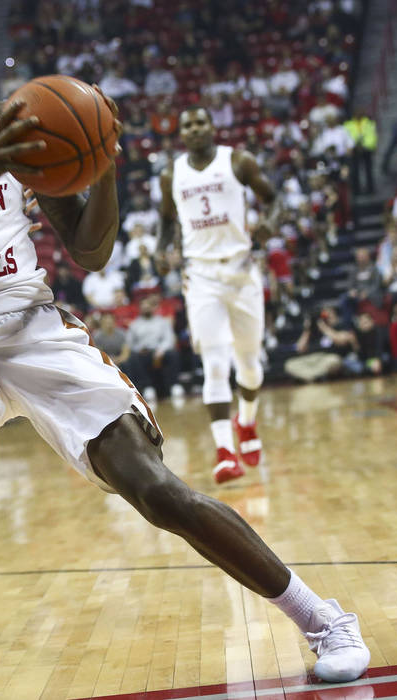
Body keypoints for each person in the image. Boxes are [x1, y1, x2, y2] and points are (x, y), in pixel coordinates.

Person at [0, 6, 369, 698]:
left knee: (156, 491)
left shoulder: (9, 121)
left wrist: (104, 161)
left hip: (36, 331)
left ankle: (324, 620)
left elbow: (89, 251)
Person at [156, 105, 279, 483]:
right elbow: (165, 222)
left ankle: (247, 422)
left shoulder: (238, 161)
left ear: (212, 126)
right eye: (187, 123)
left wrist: (268, 226)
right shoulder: (170, 174)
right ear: (181, 132)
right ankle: (225, 451)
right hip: (201, 276)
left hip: (241, 271)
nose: (193, 128)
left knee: (248, 363)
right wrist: (163, 252)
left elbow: (272, 200)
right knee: (213, 361)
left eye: (200, 122)